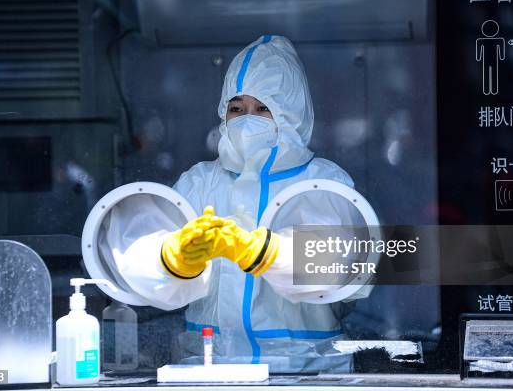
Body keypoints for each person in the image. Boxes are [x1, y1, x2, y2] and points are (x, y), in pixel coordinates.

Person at [114, 35, 362, 373]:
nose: (248, 119)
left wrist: (266, 253)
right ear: (222, 113)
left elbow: (348, 265)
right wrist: (170, 258)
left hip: (307, 373)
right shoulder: (200, 182)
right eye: (237, 108)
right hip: (209, 371)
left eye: (263, 108)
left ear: (291, 114)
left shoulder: (323, 182)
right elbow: (132, 255)